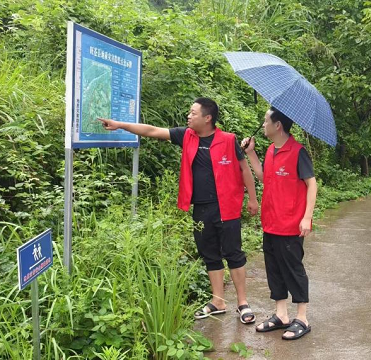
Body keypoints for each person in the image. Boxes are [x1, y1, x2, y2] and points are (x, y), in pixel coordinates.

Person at [98, 97, 259, 324]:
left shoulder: (228, 140)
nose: (188, 116)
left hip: (227, 207)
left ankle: (243, 303)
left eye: (193, 113)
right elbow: (152, 130)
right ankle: (218, 301)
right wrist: (120, 124)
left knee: (234, 253)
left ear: (208, 117)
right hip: (201, 208)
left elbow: (244, 169)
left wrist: (253, 199)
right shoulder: (186, 136)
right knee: (210, 254)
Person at [241, 107, 317, 340]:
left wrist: (306, 217)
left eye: (265, 121)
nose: (263, 125)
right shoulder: (272, 150)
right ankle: (281, 315)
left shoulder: (298, 152)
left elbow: (312, 184)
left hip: (291, 223)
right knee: (274, 269)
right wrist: (251, 153)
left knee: (293, 269)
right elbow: (266, 178)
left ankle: (302, 318)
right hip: (271, 222)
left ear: (278, 126)